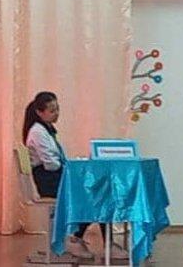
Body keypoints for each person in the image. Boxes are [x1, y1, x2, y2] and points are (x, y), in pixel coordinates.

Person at [23, 91, 127, 260]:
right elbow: (51, 164)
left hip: (56, 178)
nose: (56, 113)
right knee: (98, 195)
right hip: (49, 181)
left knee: (100, 192)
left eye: (57, 109)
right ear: (39, 112)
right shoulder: (37, 132)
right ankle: (90, 240)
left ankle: (80, 237)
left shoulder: (47, 130)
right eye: (52, 110)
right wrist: (69, 166)